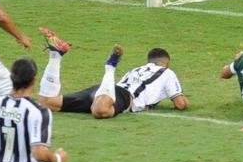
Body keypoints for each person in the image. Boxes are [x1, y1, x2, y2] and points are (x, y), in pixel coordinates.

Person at [33, 29, 187, 118]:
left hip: (104, 90)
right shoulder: (167, 72)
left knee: (47, 103)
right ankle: (110, 67)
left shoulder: (136, 70)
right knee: (100, 111)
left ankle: (55, 56)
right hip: (122, 96)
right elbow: (180, 104)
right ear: (167, 62)